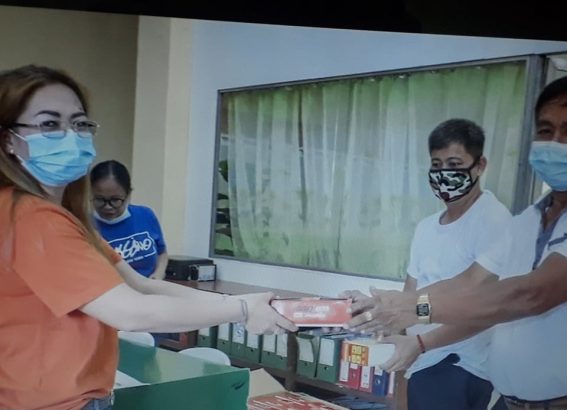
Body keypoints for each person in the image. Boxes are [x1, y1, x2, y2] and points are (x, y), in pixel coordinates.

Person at [0, 64, 297, 410]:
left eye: (79, 124)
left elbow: (140, 285)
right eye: (49, 125)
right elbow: (129, 312)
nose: (70, 136)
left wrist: (242, 303)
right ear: (8, 139)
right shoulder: (32, 219)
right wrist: (240, 309)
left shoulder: (57, 217)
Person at [345, 75, 567, 409]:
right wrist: (389, 306)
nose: (556, 144)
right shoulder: (526, 223)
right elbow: (457, 285)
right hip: (508, 397)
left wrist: (411, 311)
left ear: (480, 166)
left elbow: (517, 295)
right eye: (546, 131)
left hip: (467, 367)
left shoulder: (495, 219)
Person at [351, 119, 512, 410]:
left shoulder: (494, 220)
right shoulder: (426, 228)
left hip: (462, 364)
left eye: (454, 164)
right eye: (436, 165)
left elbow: (473, 293)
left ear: (480, 165)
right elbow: (412, 294)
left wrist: (404, 314)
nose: (443, 173)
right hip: (420, 360)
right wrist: (383, 313)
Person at [90, 160, 168, 280]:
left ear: (128, 194)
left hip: (150, 287)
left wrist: (158, 274)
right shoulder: (86, 226)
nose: (108, 207)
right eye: (100, 199)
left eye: (115, 200)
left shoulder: (145, 215)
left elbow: (162, 253)